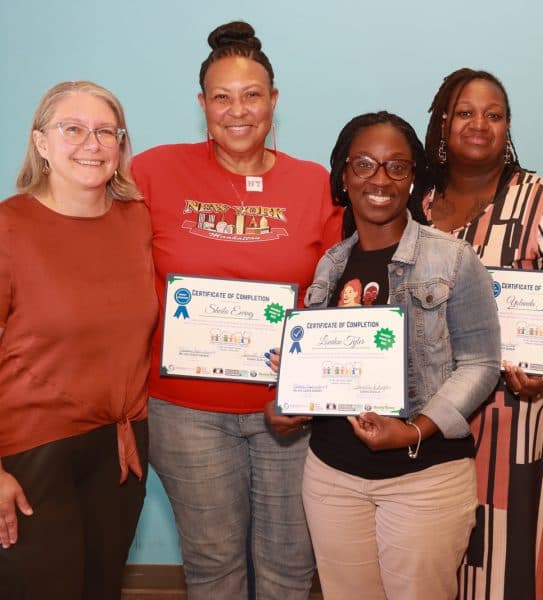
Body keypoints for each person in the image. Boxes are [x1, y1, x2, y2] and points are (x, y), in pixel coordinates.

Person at [131, 21, 342, 599]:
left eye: (252, 95)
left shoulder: (314, 183)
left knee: (289, 569)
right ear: (202, 104)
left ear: (274, 100)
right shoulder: (152, 172)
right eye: (221, 97)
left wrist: (313, 384)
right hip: (184, 412)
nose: (237, 110)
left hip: (287, 413)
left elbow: (333, 296)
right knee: (214, 566)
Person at [267, 111, 501, 599]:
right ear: (343, 176)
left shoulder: (454, 259)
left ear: (413, 178)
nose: (380, 179)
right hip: (332, 477)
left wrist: (416, 428)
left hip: (424, 479)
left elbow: (481, 363)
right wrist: (292, 401)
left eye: (397, 167)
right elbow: (328, 371)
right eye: (364, 164)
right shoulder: (329, 265)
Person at [422, 68, 543, 600]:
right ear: (442, 123)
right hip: (430, 417)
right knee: (430, 555)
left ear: (508, 127)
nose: (479, 124)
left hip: (520, 417)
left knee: (510, 557)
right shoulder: (414, 206)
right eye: (465, 112)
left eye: (494, 115)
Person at [0, 81, 157, 599]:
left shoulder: (136, 222)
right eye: (73, 129)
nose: (92, 143)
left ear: (120, 145)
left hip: (120, 447)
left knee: (100, 588)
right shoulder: (8, 227)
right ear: (41, 143)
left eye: (105, 131)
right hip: (30, 454)